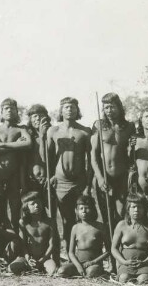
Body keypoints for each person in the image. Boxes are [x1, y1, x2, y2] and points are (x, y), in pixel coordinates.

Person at [47, 97, 93, 252]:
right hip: (60, 182)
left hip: (79, 181)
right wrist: (51, 174)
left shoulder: (85, 131)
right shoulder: (53, 131)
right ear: (61, 110)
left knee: (84, 218)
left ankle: (84, 252)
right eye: (66, 107)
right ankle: (68, 253)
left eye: (73, 107)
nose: (70, 110)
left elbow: (91, 159)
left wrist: (88, 184)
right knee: (66, 220)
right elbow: (48, 157)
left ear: (77, 110)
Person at [91, 93, 136, 229]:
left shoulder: (129, 126)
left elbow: (132, 155)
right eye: (106, 108)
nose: (109, 110)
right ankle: (109, 247)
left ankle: (119, 247)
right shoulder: (98, 125)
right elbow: (93, 154)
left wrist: (133, 146)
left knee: (121, 213)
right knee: (107, 215)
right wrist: (99, 178)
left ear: (119, 107)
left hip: (122, 176)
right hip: (104, 176)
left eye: (112, 107)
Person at [0, 98, 31, 230]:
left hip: (14, 175)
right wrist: (16, 145)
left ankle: (15, 245)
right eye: (6, 108)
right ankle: (1, 247)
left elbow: (28, 143)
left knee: (15, 210)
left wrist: (2, 145)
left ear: (17, 112)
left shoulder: (21, 129)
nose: (9, 111)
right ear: (1, 112)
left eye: (12, 108)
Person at [56, 195, 110, 278]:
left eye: (87, 208)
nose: (84, 211)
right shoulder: (75, 227)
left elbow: (108, 251)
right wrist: (78, 266)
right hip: (79, 263)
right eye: (81, 209)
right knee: (61, 271)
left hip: (94, 264)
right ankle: (80, 272)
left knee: (91, 272)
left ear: (93, 210)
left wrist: (93, 262)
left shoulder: (100, 227)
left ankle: (93, 272)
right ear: (76, 211)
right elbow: (71, 252)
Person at [111, 193, 148, 283]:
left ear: (144, 209)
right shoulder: (121, 225)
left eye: (140, 207)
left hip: (144, 265)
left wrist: (145, 261)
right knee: (124, 279)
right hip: (125, 265)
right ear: (128, 209)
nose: (136, 210)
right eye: (133, 207)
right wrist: (123, 262)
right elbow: (113, 248)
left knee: (143, 280)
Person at [18, 191, 60, 275]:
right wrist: (28, 258)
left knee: (53, 270)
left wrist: (42, 260)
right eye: (32, 204)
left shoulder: (50, 221)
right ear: (26, 207)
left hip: (45, 258)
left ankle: (40, 267)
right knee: (13, 268)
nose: (36, 205)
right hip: (28, 258)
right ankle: (30, 267)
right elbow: (23, 244)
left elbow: (52, 244)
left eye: (38, 202)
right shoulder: (23, 222)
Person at [24, 104, 52, 210]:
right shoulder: (28, 136)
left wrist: (43, 135)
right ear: (30, 119)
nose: (38, 118)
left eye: (41, 115)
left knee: (51, 211)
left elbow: (48, 157)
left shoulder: (52, 133)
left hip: (49, 179)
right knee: (35, 212)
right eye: (34, 116)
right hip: (32, 180)